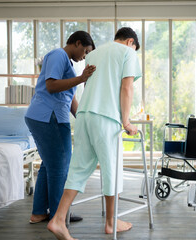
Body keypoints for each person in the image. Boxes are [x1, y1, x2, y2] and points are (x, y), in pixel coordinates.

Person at [47, 27, 141, 240]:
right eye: (135, 47)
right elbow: (127, 88)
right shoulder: (128, 53)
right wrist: (126, 121)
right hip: (106, 118)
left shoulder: (94, 53)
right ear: (129, 42)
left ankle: (58, 219)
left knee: (78, 169)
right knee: (112, 169)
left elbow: (89, 84)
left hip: (84, 115)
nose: (134, 50)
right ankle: (111, 222)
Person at [25, 31, 96, 224]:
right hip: (50, 117)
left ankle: (39, 212)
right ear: (78, 43)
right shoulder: (59, 55)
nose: (84, 57)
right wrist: (81, 79)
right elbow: (52, 86)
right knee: (60, 167)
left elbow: (69, 96)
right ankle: (58, 217)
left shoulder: (66, 62)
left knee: (49, 166)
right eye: (85, 51)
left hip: (44, 116)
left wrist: (82, 117)